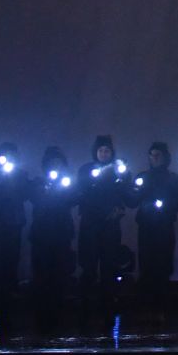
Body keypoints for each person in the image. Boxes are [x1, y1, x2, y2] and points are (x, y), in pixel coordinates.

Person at [75, 135, 129, 322]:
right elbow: (81, 191)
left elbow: (127, 194)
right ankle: (85, 303)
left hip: (110, 225)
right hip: (90, 224)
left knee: (109, 265)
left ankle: (108, 302)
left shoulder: (118, 172)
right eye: (100, 150)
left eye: (107, 151)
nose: (104, 154)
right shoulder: (87, 170)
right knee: (89, 265)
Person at [0, 142, 35, 319]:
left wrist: (14, 178)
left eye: (12, 155)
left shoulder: (20, 175)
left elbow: (26, 195)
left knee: (10, 260)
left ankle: (8, 298)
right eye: (5, 155)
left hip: (13, 223)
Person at [29, 148, 76, 333]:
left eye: (59, 162)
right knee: (41, 274)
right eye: (52, 162)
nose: (55, 166)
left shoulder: (67, 183)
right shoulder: (39, 182)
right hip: (41, 234)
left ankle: (57, 312)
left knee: (59, 274)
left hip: (61, 233)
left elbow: (73, 199)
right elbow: (34, 199)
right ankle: (41, 313)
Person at [132, 141, 178, 314]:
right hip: (147, 226)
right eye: (151, 155)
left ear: (165, 157)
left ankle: (160, 307)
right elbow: (133, 200)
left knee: (163, 264)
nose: (154, 159)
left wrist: (165, 205)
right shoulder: (143, 176)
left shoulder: (172, 178)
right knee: (146, 264)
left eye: (157, 155)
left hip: (164, 226)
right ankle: (146, 307)